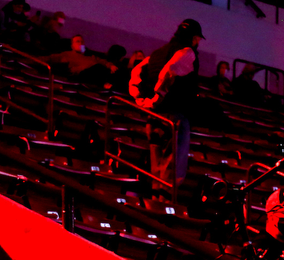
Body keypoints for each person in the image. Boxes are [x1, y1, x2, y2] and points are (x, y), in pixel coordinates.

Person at [130, 19, 204, 196]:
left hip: (154, 117)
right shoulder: (187, 52)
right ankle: (164, 204)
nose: (199, 43)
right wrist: (157, 98)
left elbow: (136, 74)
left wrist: (142, 101)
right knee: (172, 167)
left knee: (157, 165)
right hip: (174, 116)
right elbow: (169, 71)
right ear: (194, 38)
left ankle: (157, 200)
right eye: (198, 39)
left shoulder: (156, 54)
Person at [44, 35, 116, 87]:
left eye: (82, 41)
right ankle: (103, 83)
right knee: (98, 67)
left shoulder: (91, 57)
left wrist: (111, 65)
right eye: (77, 41)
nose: (80, 43)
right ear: (72, 46)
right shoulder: (67, 54)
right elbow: (51, 58)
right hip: (82, 74)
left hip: (98, 71)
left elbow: (103, 61)